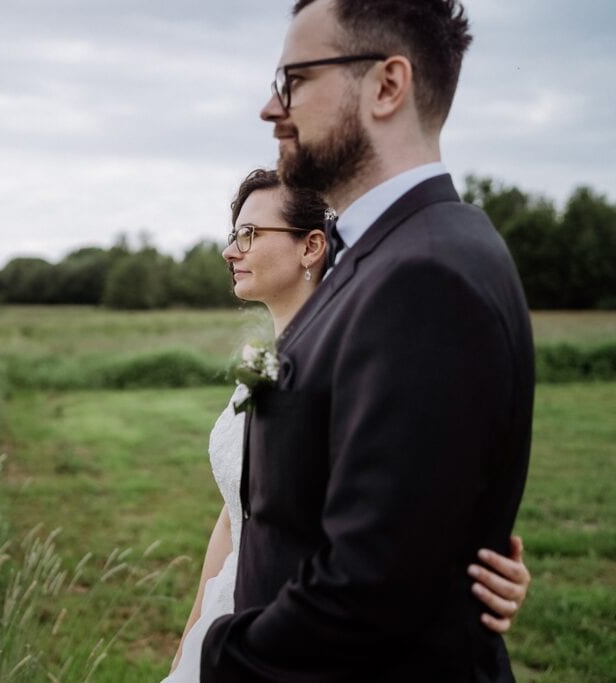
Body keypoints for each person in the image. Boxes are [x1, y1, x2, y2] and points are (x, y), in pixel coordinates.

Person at [201, 0, 535, 680]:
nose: (272, 108)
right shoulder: (385, 253)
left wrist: (221, 655)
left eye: (294, 79)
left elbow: (371, 590)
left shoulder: (426, 276)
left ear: (387, 85)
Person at [163, 170, 531, 682]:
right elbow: (234, 515)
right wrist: (194, 633)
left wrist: (469, 576)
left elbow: (400, 513)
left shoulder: (359, 362)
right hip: (229, 615)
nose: (230, 250)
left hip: (302, 632)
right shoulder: (264, 364)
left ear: (311, 246)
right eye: (233, 235)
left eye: (249, 234)